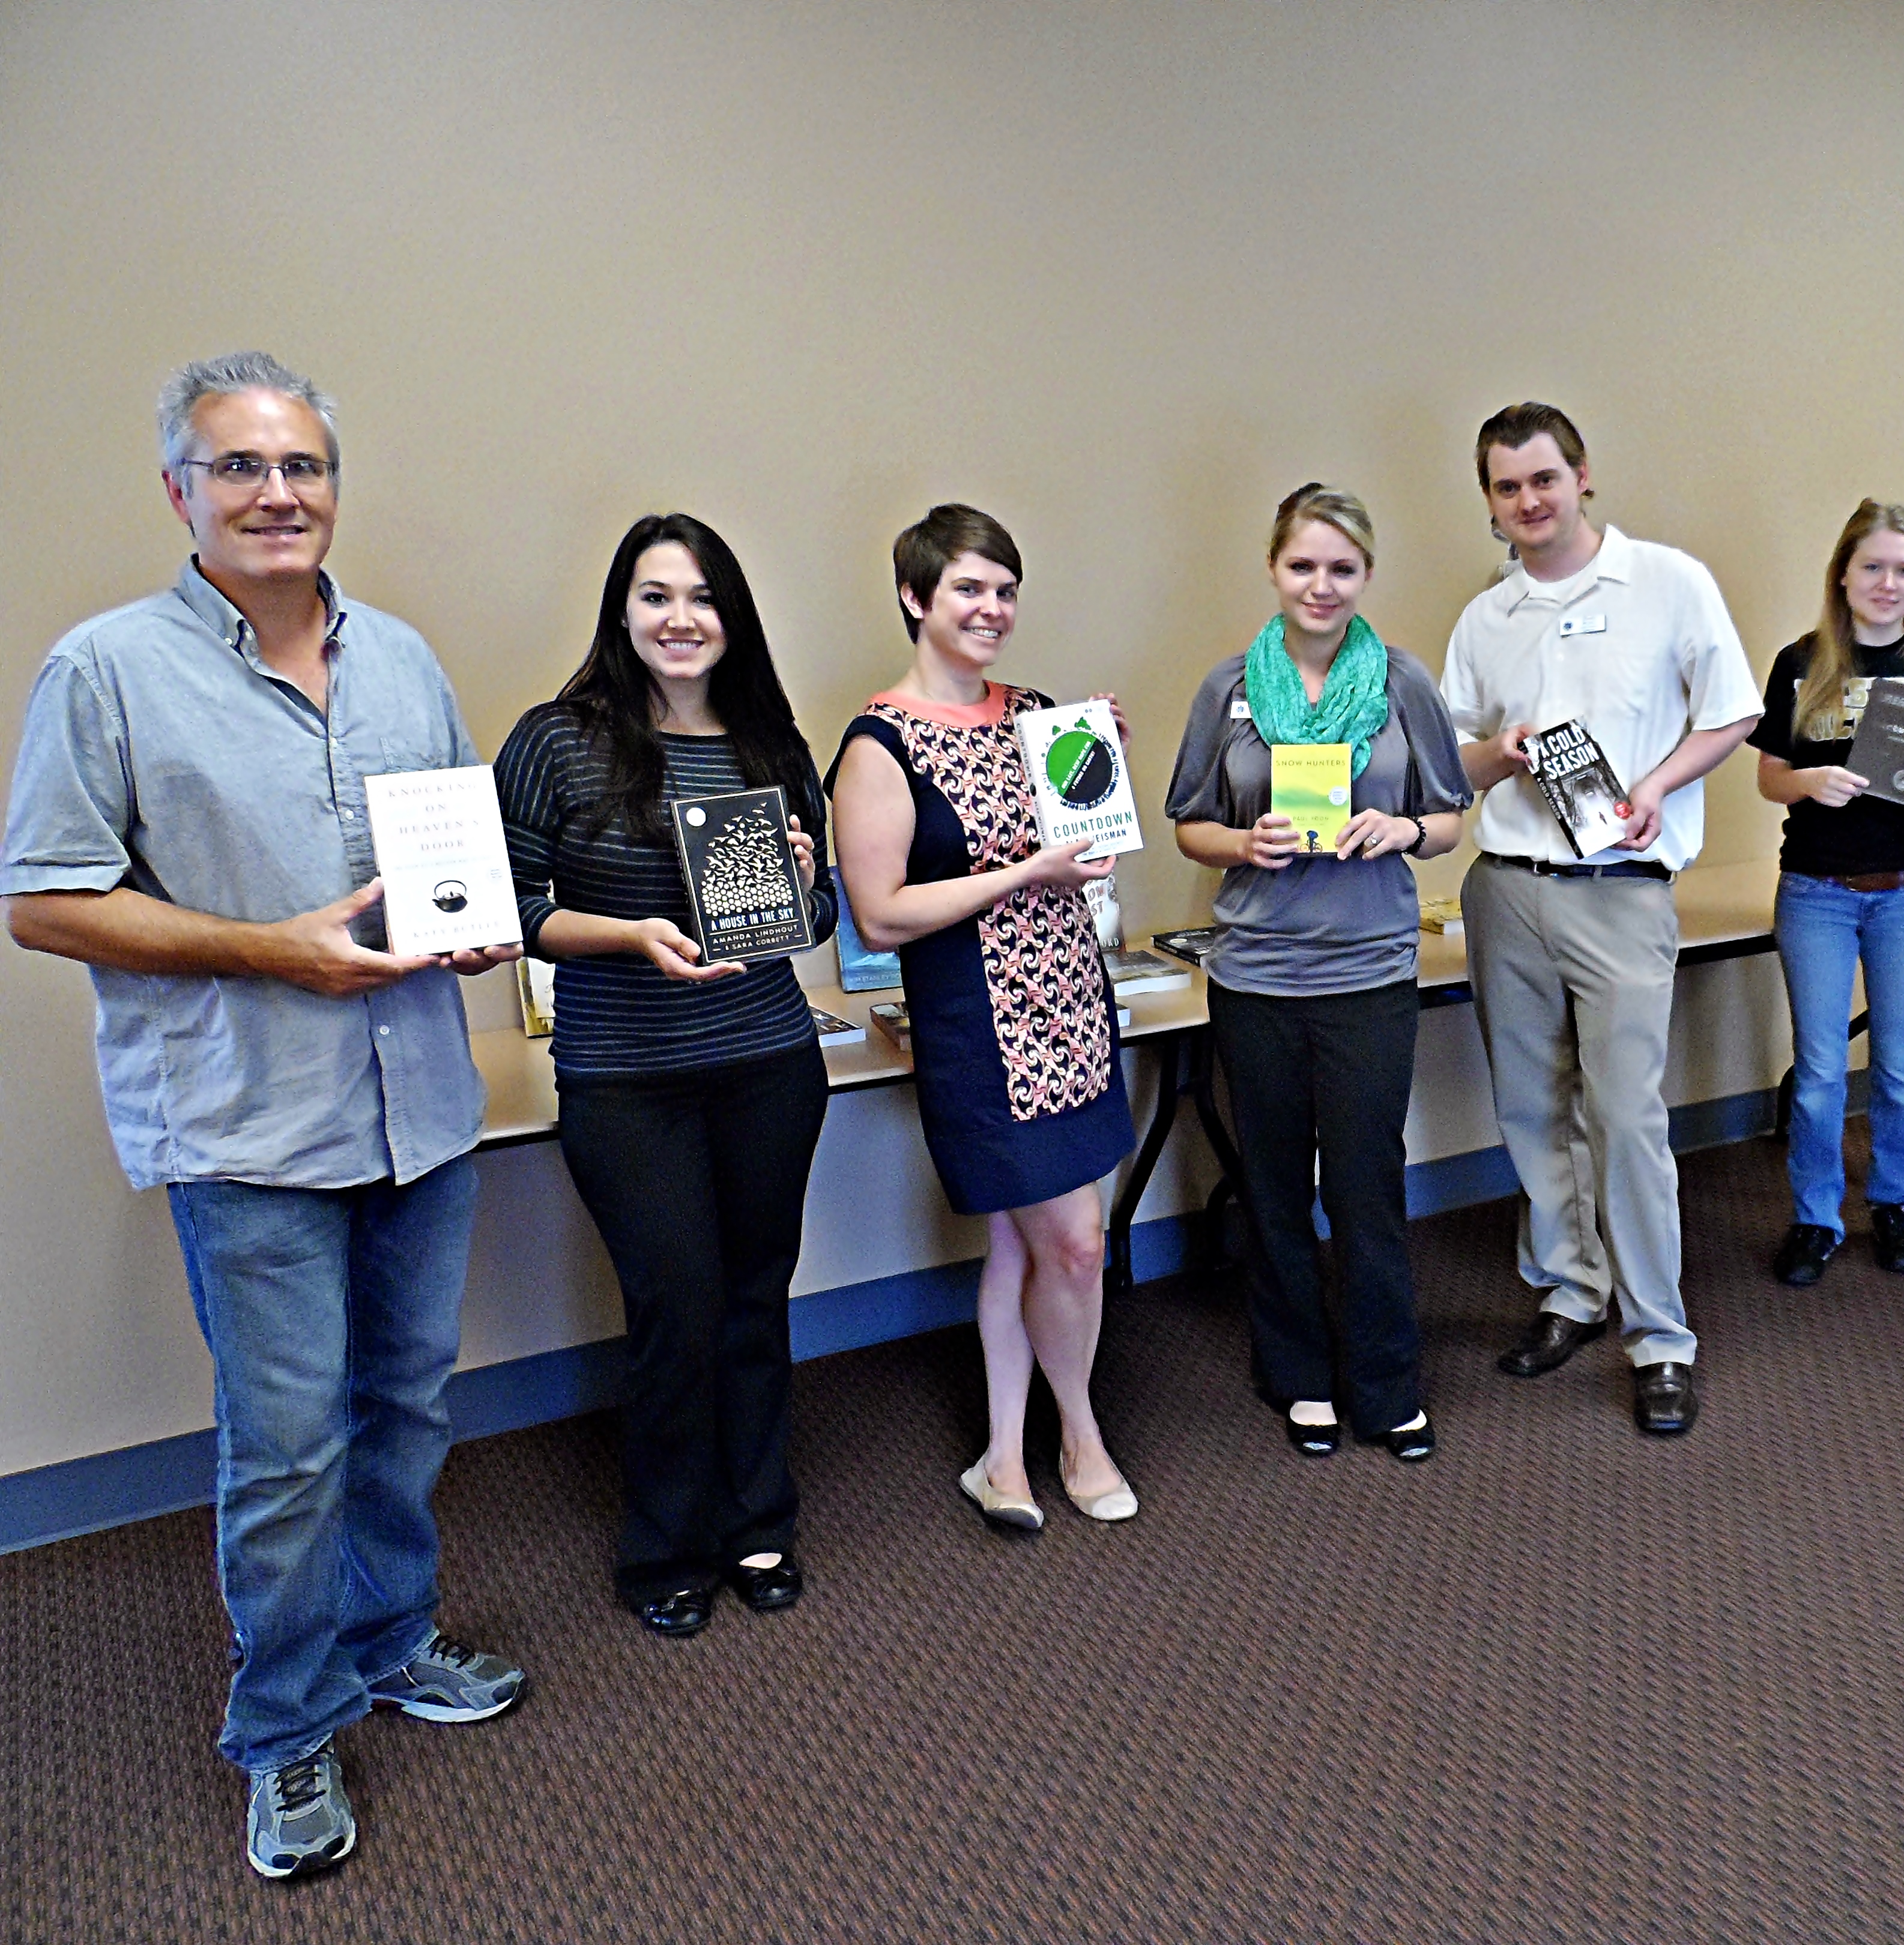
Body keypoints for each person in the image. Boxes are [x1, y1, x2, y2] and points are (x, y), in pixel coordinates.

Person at [0, 353, 526, 1880]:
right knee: (288, 1446)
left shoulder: (404, 659)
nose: (278, 493)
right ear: (181, 490)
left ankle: (391, 1639)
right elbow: (45, 901)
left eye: (303, 466)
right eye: (240, 466)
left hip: (418, 1109)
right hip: (250, 1131)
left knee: (409, 1404)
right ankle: (286, 1725)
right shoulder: (105, 670)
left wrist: (472, 924)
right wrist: (269, 949)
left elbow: (449, 858)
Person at [495, 514, 838, 1636]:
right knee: (674, 1309)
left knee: (754, 1296)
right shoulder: (557, 742)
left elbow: (817, 918)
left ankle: (759, 1520)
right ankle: (668, 1545)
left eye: (703, 598)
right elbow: (511, 910)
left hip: (768, 1063)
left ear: (732, 617)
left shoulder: (771, 745)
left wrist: (801, 883)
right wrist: (631, 936)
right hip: (627, 1076)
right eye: (656, 596)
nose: (681, 619)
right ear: (622, 612)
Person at [1442, 403, 1764, 1435]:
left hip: (1621, 890)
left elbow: (1735, 709)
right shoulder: (1486, 618)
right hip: (1507, 888)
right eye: (1507, 487)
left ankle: (1660, 1336)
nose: (1528, 501)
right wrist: (1500, 754)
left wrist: (1659, 784)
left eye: (1544, 478)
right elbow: (1451, 762)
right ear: (1491, 502)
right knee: (1532, 1110)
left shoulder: (1667, 581)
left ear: (1581, 477)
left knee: (1627, 1117)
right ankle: (1570, 1290)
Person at [830, 505, 1138, 1528]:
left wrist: (1105, 767)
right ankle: (1082, 1435)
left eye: (1006, 590)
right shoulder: (878, 744)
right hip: (980, 1030)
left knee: (1023, 1246)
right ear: (914, 597)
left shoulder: (1039, 714)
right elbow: (882, 913)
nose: (992, 608)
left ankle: (1004, 1458)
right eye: (968, 588)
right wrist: (1025, 873)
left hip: (1073, 1007)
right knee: (1075, 1245)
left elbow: (1090, 850)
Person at [1166, 484, 1472, 1461]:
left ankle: (1386, 1385)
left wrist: (1403, 829)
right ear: (1273, 568)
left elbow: (1450, 817)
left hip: (1369, 972)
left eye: (1342, 568)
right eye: (1303, 565)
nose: (1321, 585)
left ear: (1366, 575)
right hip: (1256, 973)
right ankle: (1297, 1375)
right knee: (1271, 1186)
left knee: (1366, 1187)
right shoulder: (1228, 689)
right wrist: (1240, 844)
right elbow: (1189, 823)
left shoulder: (1403, 683)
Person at [1753, 500, 1904, 1287]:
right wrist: (1811, 780)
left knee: (1900, 1066)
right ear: (1843, 574)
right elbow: (1769, 776)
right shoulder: (1801, 662)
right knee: (1818, 1069)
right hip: (1816, 890)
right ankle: (1816, 1217)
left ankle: (1895, 1203)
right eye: (1872, 566)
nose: (1888, 583)